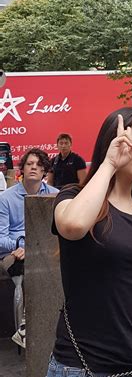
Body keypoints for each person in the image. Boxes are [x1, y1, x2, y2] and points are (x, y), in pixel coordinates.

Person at [45, 107, 132, 377]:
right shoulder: (73, 196)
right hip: (81, 373)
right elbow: (73, 225)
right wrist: (109, 164)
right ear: (113, 139)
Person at [0, 148, 58, 348]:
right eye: (30, 163)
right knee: (29, 265)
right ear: (22, 168)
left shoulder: (55, 195)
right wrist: (22, 246)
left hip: (44, 251)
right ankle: (27, 327)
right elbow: (1, 238)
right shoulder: (6, 198)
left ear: (45, 171)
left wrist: (32, 247)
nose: (34, 167)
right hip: (12, 254)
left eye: (39, 165)